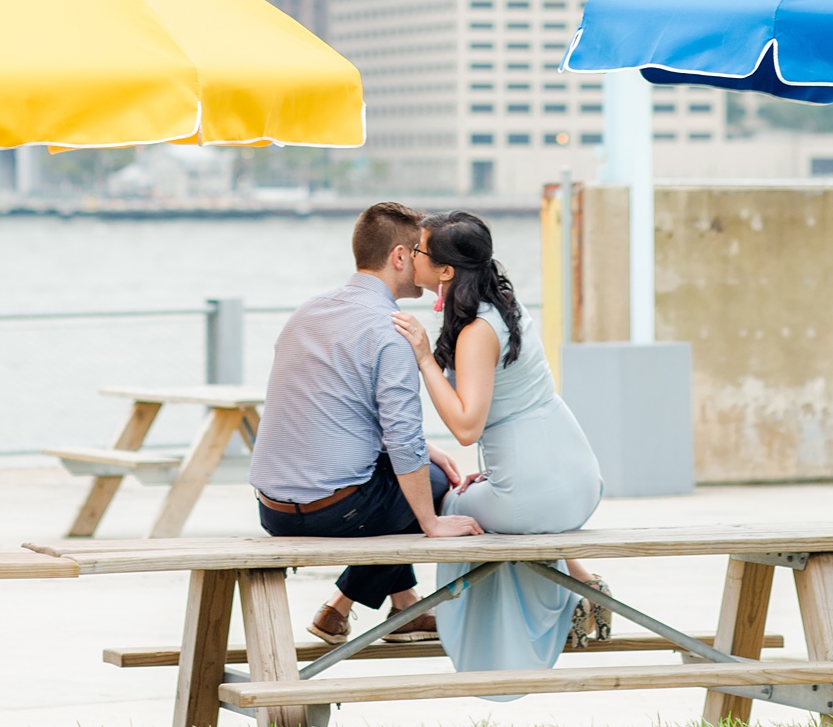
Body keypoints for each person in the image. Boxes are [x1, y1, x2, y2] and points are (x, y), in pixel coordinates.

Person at [247, 199, 484, 645]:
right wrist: (432, 522)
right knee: (434, 483)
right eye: (421, 253)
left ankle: (398, 606)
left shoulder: (307, 312)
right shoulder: (390, 329)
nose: (427, 264)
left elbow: (331, 412)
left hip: (272, 511)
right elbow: (404, 438)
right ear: (399, 257)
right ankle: (351, 602)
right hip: (334, 513)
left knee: (397, 479)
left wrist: (412, 451)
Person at [392, 211, 609, 673]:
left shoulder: (476, 331)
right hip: (579, 478)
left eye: (420, 250)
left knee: (451, 507)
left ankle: (527, 621)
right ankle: (581, 582)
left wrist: (425, 360)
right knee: (481, 498)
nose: (411, 255)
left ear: (445, 271)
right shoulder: (503, 307)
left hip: (532, 493)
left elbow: (468, 428)